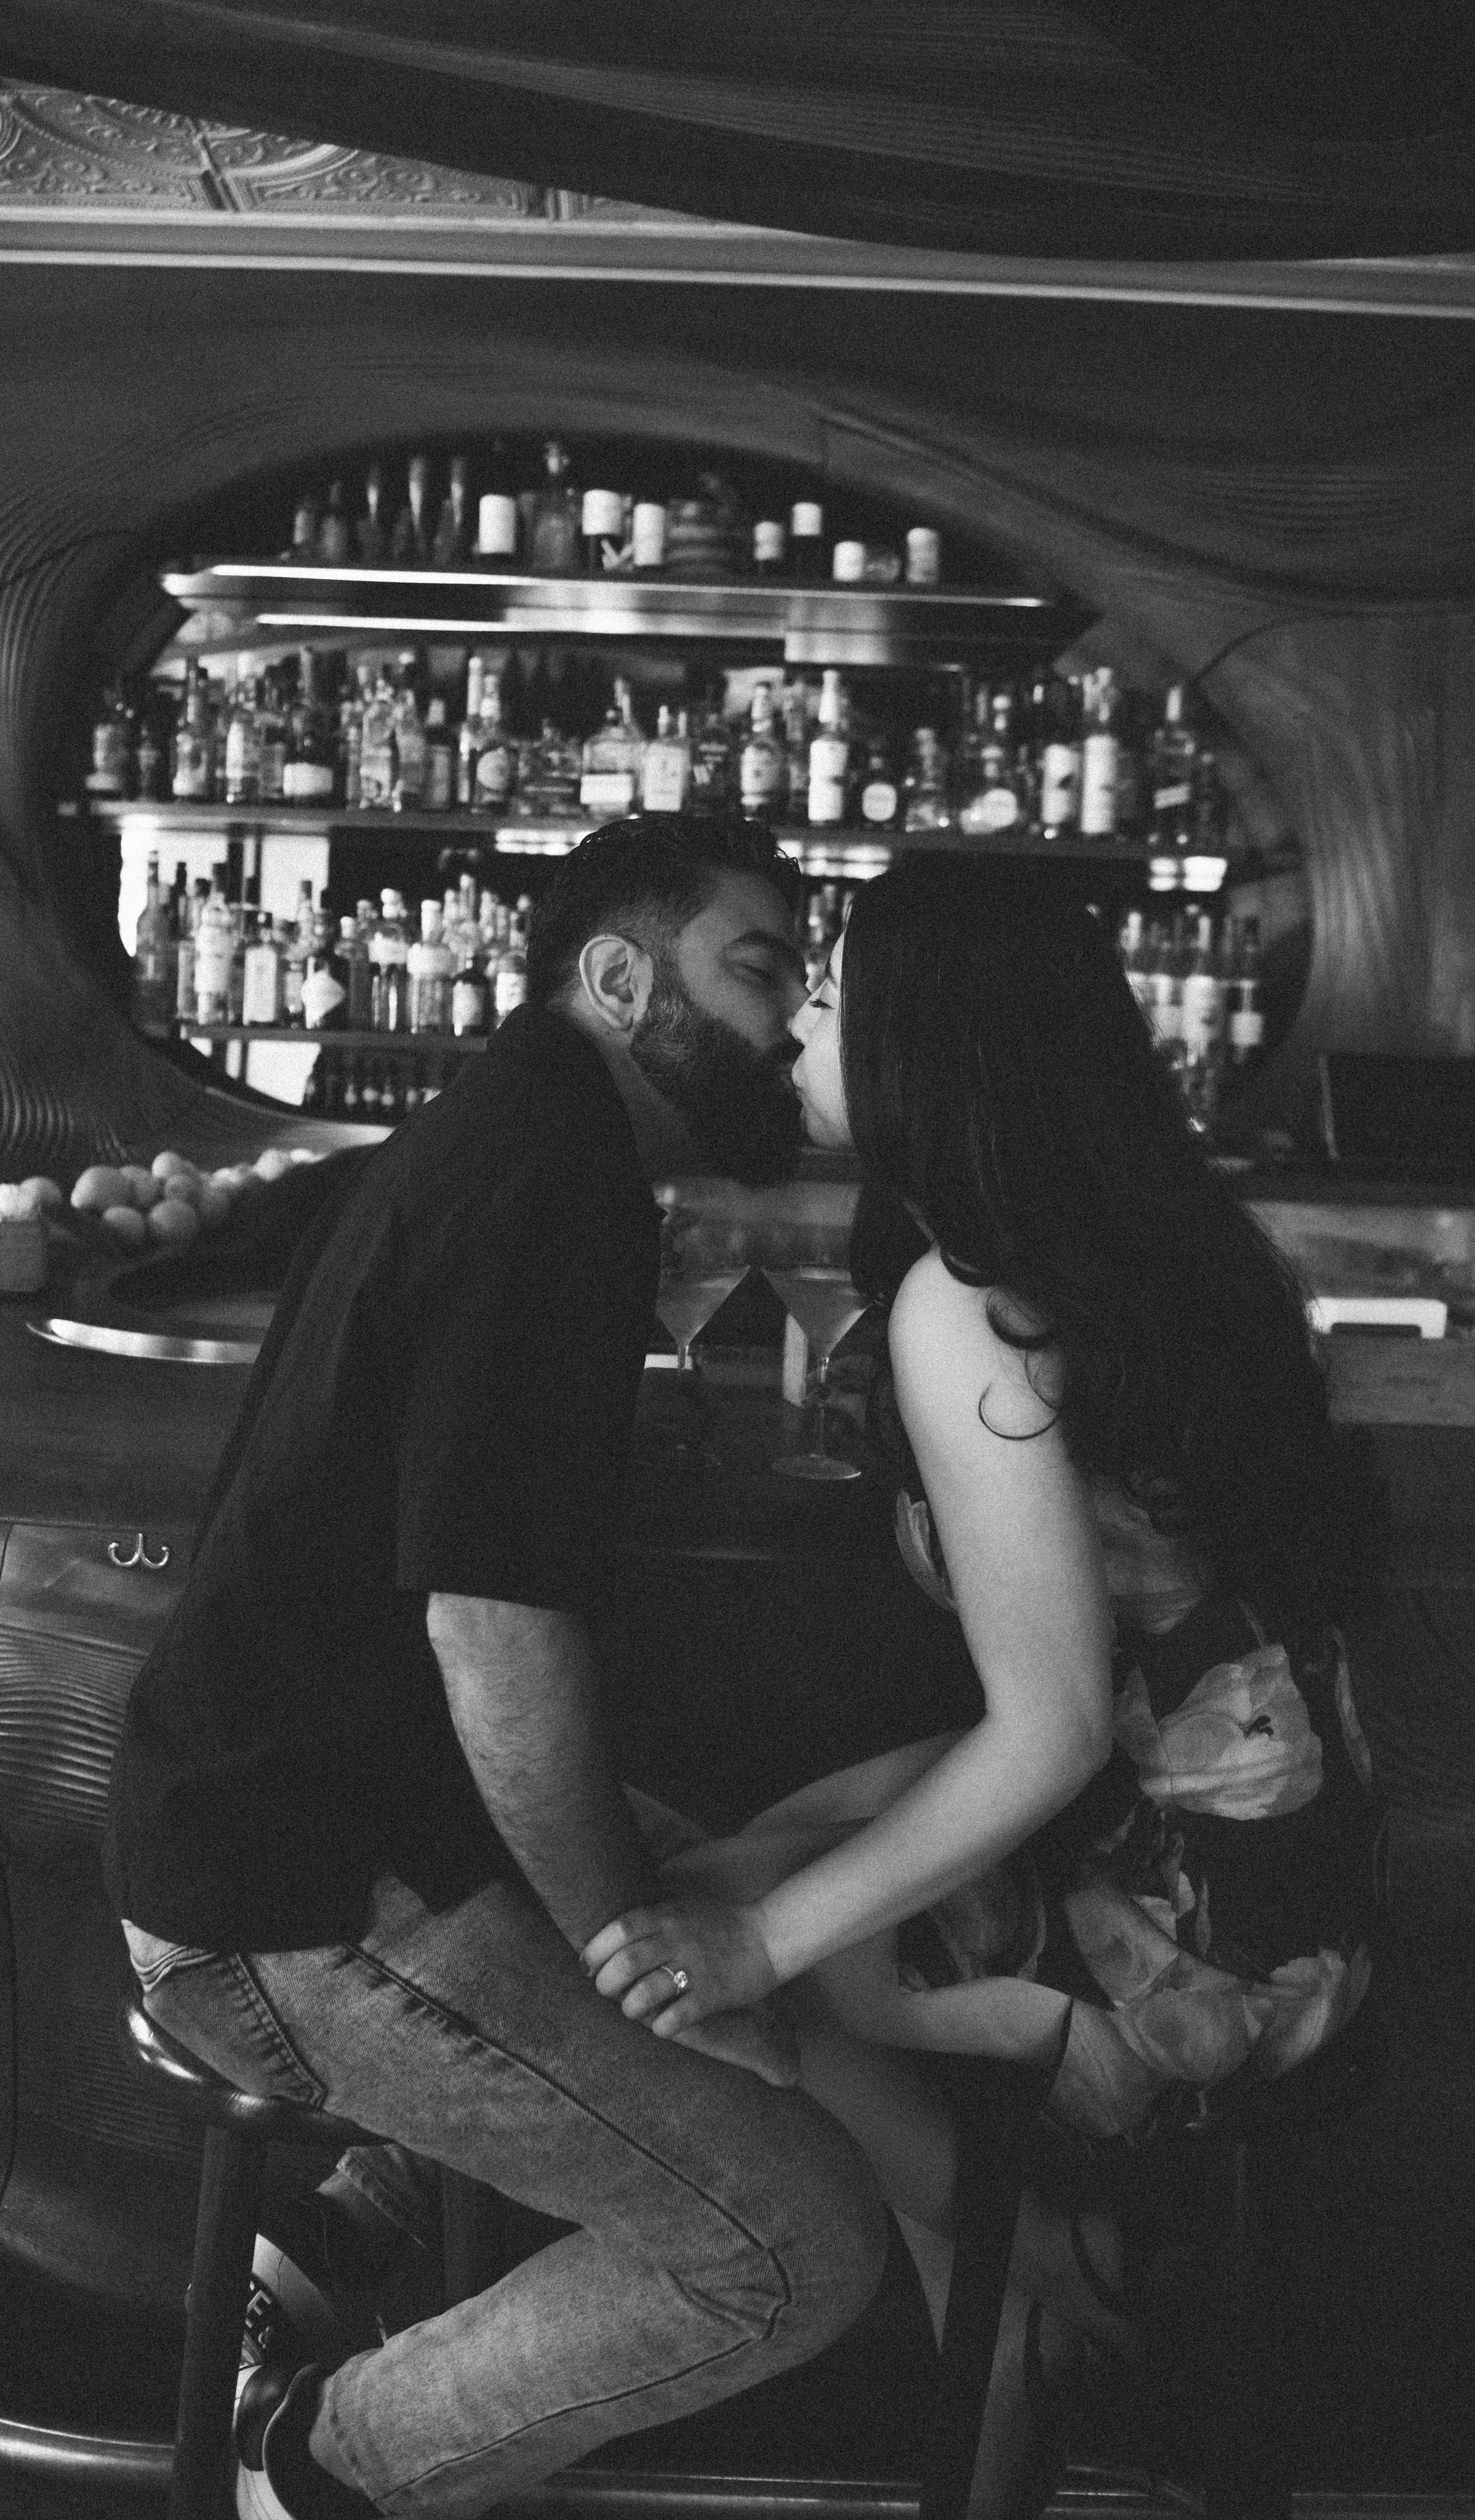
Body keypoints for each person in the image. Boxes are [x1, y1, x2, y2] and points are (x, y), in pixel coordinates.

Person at [102, 814, 893, 2520]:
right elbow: (494, 1631)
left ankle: (337, 2228)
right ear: (617, 976)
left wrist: (658, 1921)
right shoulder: (553, 1175)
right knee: (795, 2244)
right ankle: (320, 2467)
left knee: (751, 1887)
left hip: (308, 1827)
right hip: (291, 1900)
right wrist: (641, 1958)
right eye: (755, 970)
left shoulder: (512, 1127)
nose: (785, 1020)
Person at [585, 864, 1381, 2516]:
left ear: (919, 1045)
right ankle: (1018, 2297)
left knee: (721, 1959)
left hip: (1187, 1937)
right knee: (730, 1877)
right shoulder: (1171, 1252)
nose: (793, 1019)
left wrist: (757, 1929)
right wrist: (796, 1842)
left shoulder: (970, 1305)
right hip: (1287, 1867)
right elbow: (1133, 1683)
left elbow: (1059, 1726)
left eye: (825, 995)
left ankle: (1039, 2274)